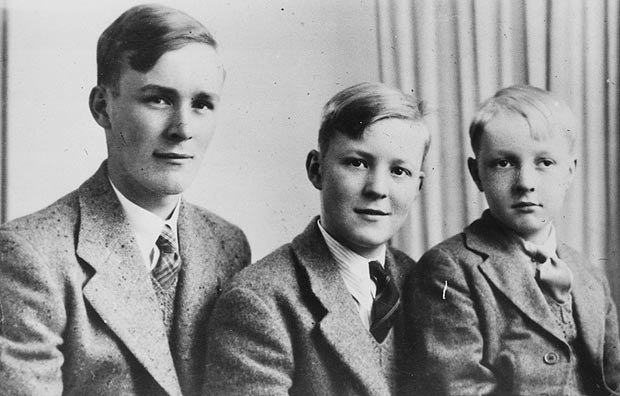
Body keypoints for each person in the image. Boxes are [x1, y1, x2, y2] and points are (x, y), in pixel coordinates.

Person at [0, 4, 250, 396]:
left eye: (201, 104)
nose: (183, 129)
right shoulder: (33, 256)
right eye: (159, 100)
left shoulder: (228, 246)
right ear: (103, 107)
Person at [202, 82, 430, 396]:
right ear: (316, 169)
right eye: (357, 163)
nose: (378, 188)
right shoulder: (261, 302)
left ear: (418, 187)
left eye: (399, 171)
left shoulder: (423, 284)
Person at [404, 85, 620, 395]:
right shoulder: (449, 270)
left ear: (570, 172)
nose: (526, 183)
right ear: (477, 173)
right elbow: (459, 388)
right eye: (504, 163)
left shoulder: (589, 277)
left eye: (544, 163)